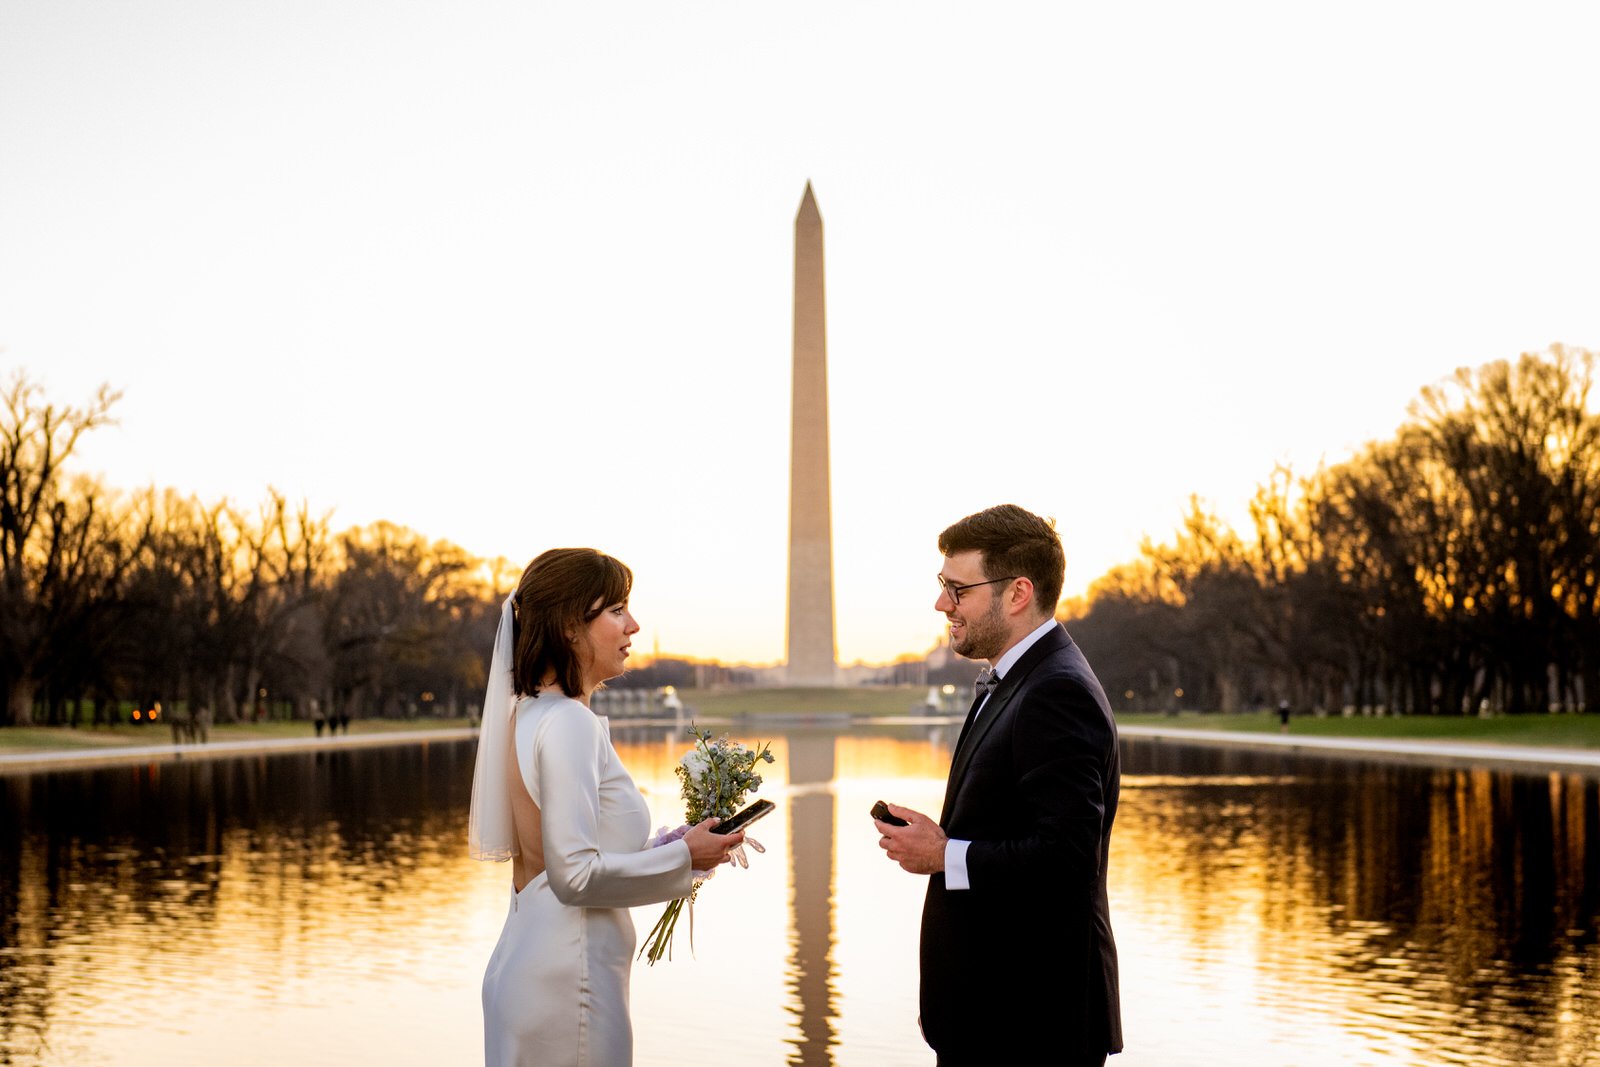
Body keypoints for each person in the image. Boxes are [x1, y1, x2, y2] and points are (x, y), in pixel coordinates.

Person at [469, 547, 743, 1066]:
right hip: (571, 981)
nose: (633, 625)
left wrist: (675, 847)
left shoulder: (529, 714)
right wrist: (685, 857)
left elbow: (565, 855)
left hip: (530, 963)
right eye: (617, 610)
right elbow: (573, 875)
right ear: (570, 626)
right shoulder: (568, 722)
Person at [875, 505, 1123, 1065]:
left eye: (958, 590)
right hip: (996, 1017)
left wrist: (944, 855)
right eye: (944, 586)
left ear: (1017, 593)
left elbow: (1068, 856)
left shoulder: (1056, 692)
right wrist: (945, 839)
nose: (942, 604)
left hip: (1029, 1025)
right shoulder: (1020, 679)